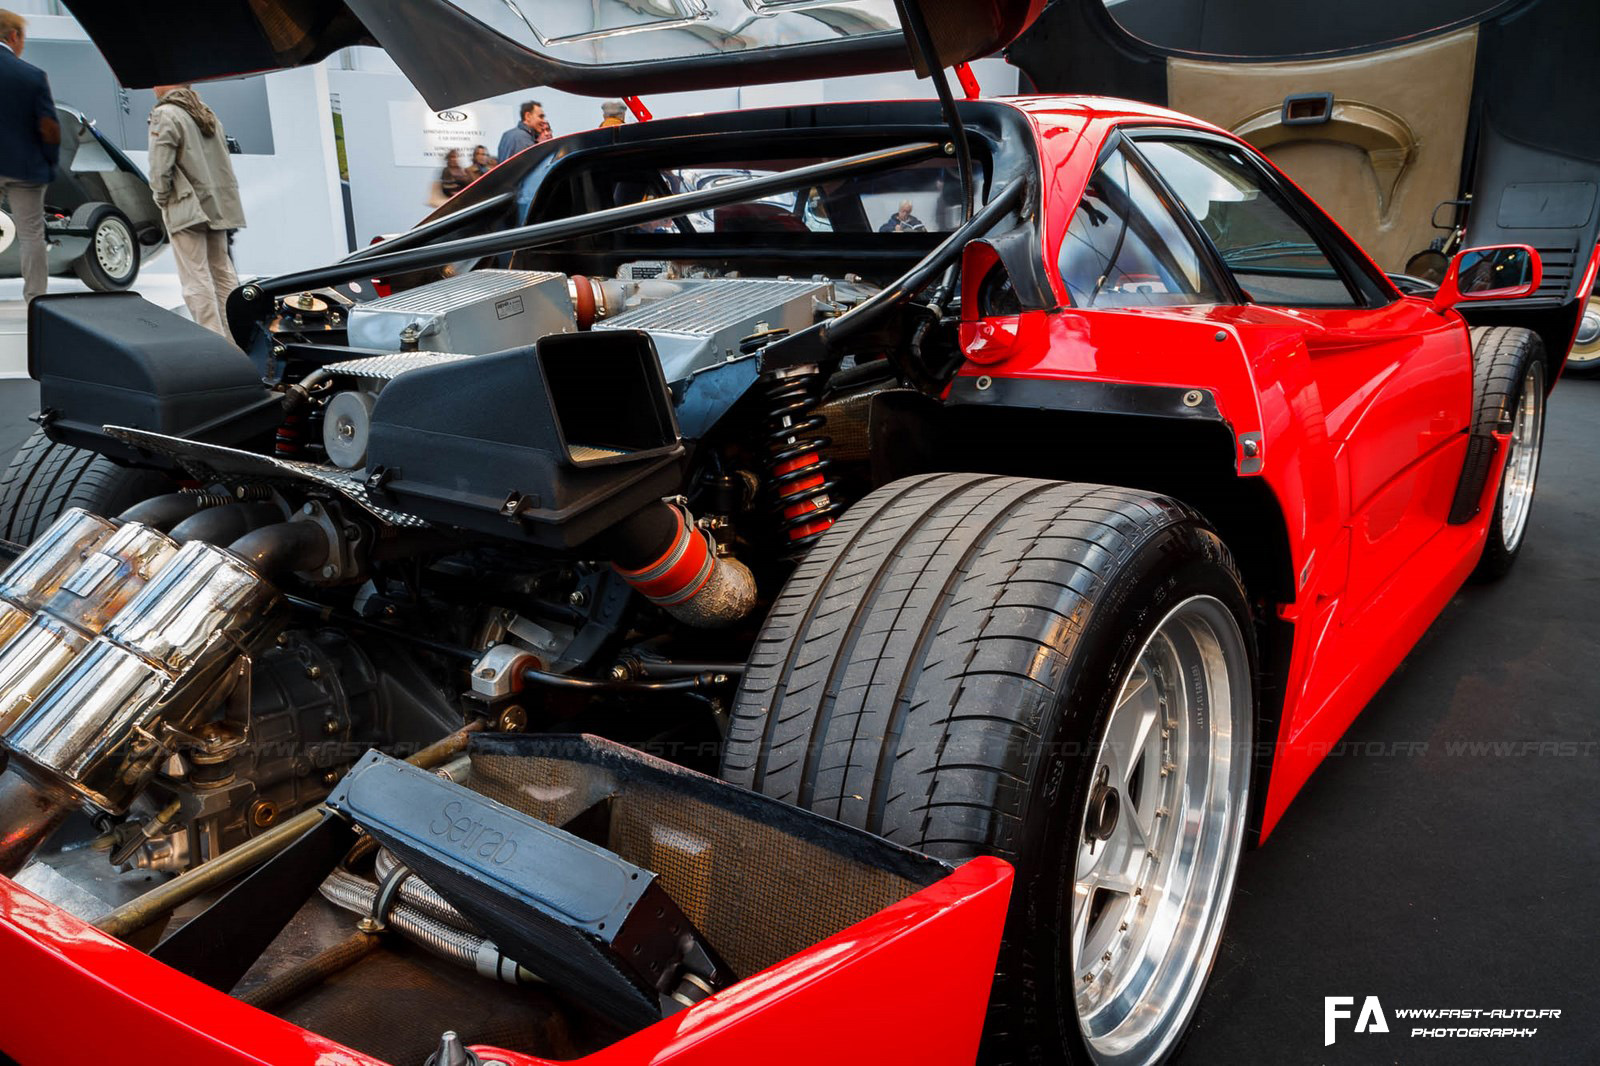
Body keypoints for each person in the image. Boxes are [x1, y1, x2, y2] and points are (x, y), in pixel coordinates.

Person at [147, 83, 246, 336]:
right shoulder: (205, 112)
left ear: (169, 85)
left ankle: (213, 343)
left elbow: (160, 167)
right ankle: (238, 340)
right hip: (217, 205)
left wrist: (161, 197)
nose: (153, 87)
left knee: (195, 278)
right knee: (223, 275)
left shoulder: (165, 114)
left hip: (186, 205)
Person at [0, 10, 61, 304]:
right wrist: (50, 161)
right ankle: (36, 300)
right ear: (13, 36)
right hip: (25, 169)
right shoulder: (33, 76)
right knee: (31, 235)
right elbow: (49, 129)